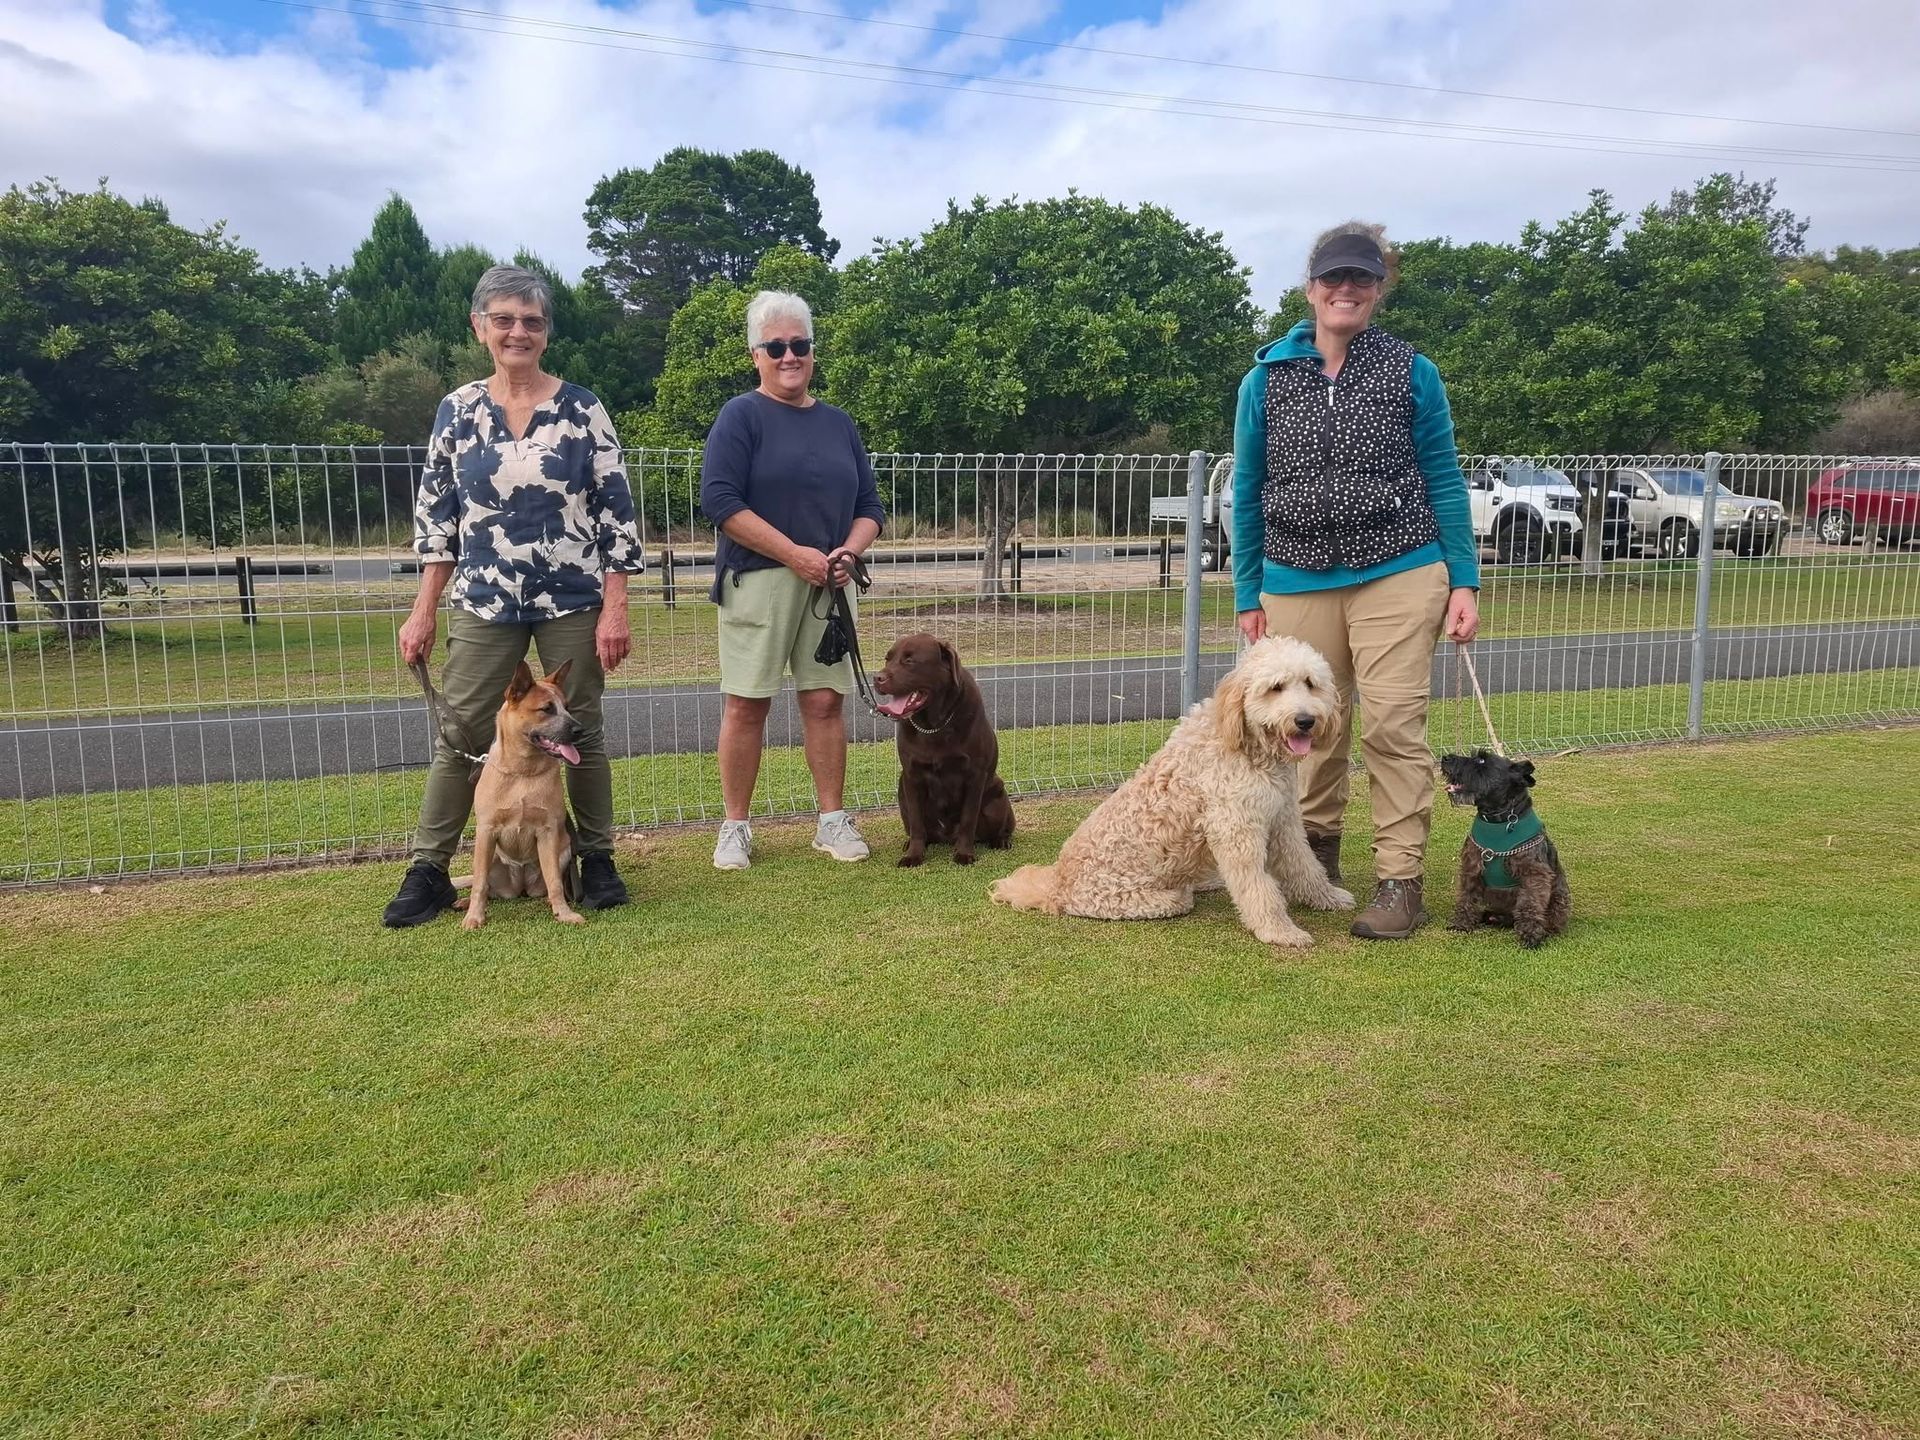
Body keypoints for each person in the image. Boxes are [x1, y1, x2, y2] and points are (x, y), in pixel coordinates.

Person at [1229, 222, 1481, 940]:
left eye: (1361, 279)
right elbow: (1249, 488)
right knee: (1307, 732)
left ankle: (1401, 882)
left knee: (1395, 728)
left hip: (1400, 570)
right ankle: (1316, 865)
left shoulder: (1411, 371)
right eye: (1333, 277)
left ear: (1377, 291)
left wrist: (1462, 580)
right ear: (1310, 289)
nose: (1346, 289)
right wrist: (1249, 593)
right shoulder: (1266, 380)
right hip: (1294, 577)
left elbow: (1442, 477)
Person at [381, 264, 645, 928]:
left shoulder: (583, 409)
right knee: (462, 731)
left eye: (531, 321)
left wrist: (615, 606)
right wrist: (423, 610)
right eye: (503, 319)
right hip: (483, 600)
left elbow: (617, 513)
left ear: (546, 332)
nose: (517, 332)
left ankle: (598, 860)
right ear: (480, 327)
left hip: (572, 597)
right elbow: (437, 518)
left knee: (577, 729)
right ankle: (429, 869)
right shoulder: (458, 409)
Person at [699, 289, 887, 871]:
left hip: (830, 585)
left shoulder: (839, 423)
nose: (789, 356)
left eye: (799, 345)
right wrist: (795, 555)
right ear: (756, 353)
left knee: (826, 702)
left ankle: (832, 820)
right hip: (759, 581)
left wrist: (847, 555)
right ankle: (735, 826)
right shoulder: (741, 416)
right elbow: (721, 501)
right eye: (776, 346)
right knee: (746, 705)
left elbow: (869, 505)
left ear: (812, 351)